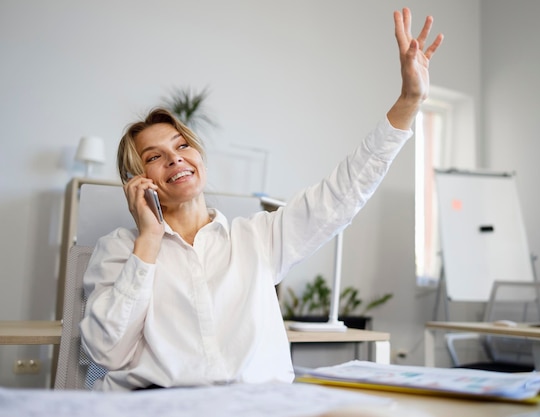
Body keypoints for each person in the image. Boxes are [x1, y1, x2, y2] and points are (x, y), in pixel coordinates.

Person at [80, 7, 443, 391]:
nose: (175, 158)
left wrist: (409, 100)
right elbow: (106, 354)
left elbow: (343, 194)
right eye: (154, 157)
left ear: (199, 156)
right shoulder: (120, 252)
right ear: (137, 182)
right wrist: (149, 241)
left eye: (182, 145)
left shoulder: (257, 237)